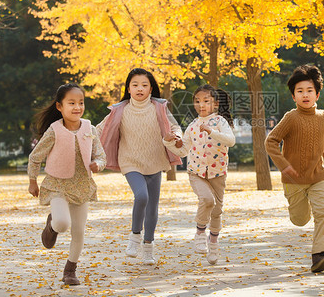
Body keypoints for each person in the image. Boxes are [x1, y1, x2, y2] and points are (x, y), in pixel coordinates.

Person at [265, 65, 324, 273]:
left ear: (317, 94)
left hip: (318, 177)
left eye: (309, 90)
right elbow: (271, 142)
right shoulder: (291, 118)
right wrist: (284, 165)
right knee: (300, 219)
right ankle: (299, 214)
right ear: (293, 96)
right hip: (294, 181)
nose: (305, 95)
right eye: (300, 91)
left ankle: (319, 256)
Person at [97, 68, 182, 265]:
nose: (140, 89)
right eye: (135, 85)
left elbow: (175, 127)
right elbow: (100, 128)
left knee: (152, 207)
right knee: (141, 196)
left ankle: (148, 248)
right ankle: (135, 236)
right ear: (128, 88)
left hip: (154, 160)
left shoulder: (159, 107)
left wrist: (176, 137)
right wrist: (82, 132)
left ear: (151, 87)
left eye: (144, 85)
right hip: (130, 161)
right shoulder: (120, 109)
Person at [28, 83, 106, 286]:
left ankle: (70, 270)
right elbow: (35, 157)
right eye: (71, 103)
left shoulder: (89, 128)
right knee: (62, 224)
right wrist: (32, 181)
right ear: (59, 106)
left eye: (81, 103)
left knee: (78, 231)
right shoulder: (54, 130)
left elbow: (101, 155)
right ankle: (52, 225)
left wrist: (98, 164)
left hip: (82, 186)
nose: (77, 107)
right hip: (57, 185)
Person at [163, 85, 235, 265]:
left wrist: (211, 131)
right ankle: (200, 232)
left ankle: (214, 244)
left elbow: (231, 141)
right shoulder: (193, 126)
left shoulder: (220, 122)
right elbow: (183, 150)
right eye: (197, 101)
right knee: (207, 200)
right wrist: (169, 142)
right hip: (196, 173)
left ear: (215, 104)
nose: (201, 105)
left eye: (206, 101)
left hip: (218, 173)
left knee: (217, 211)